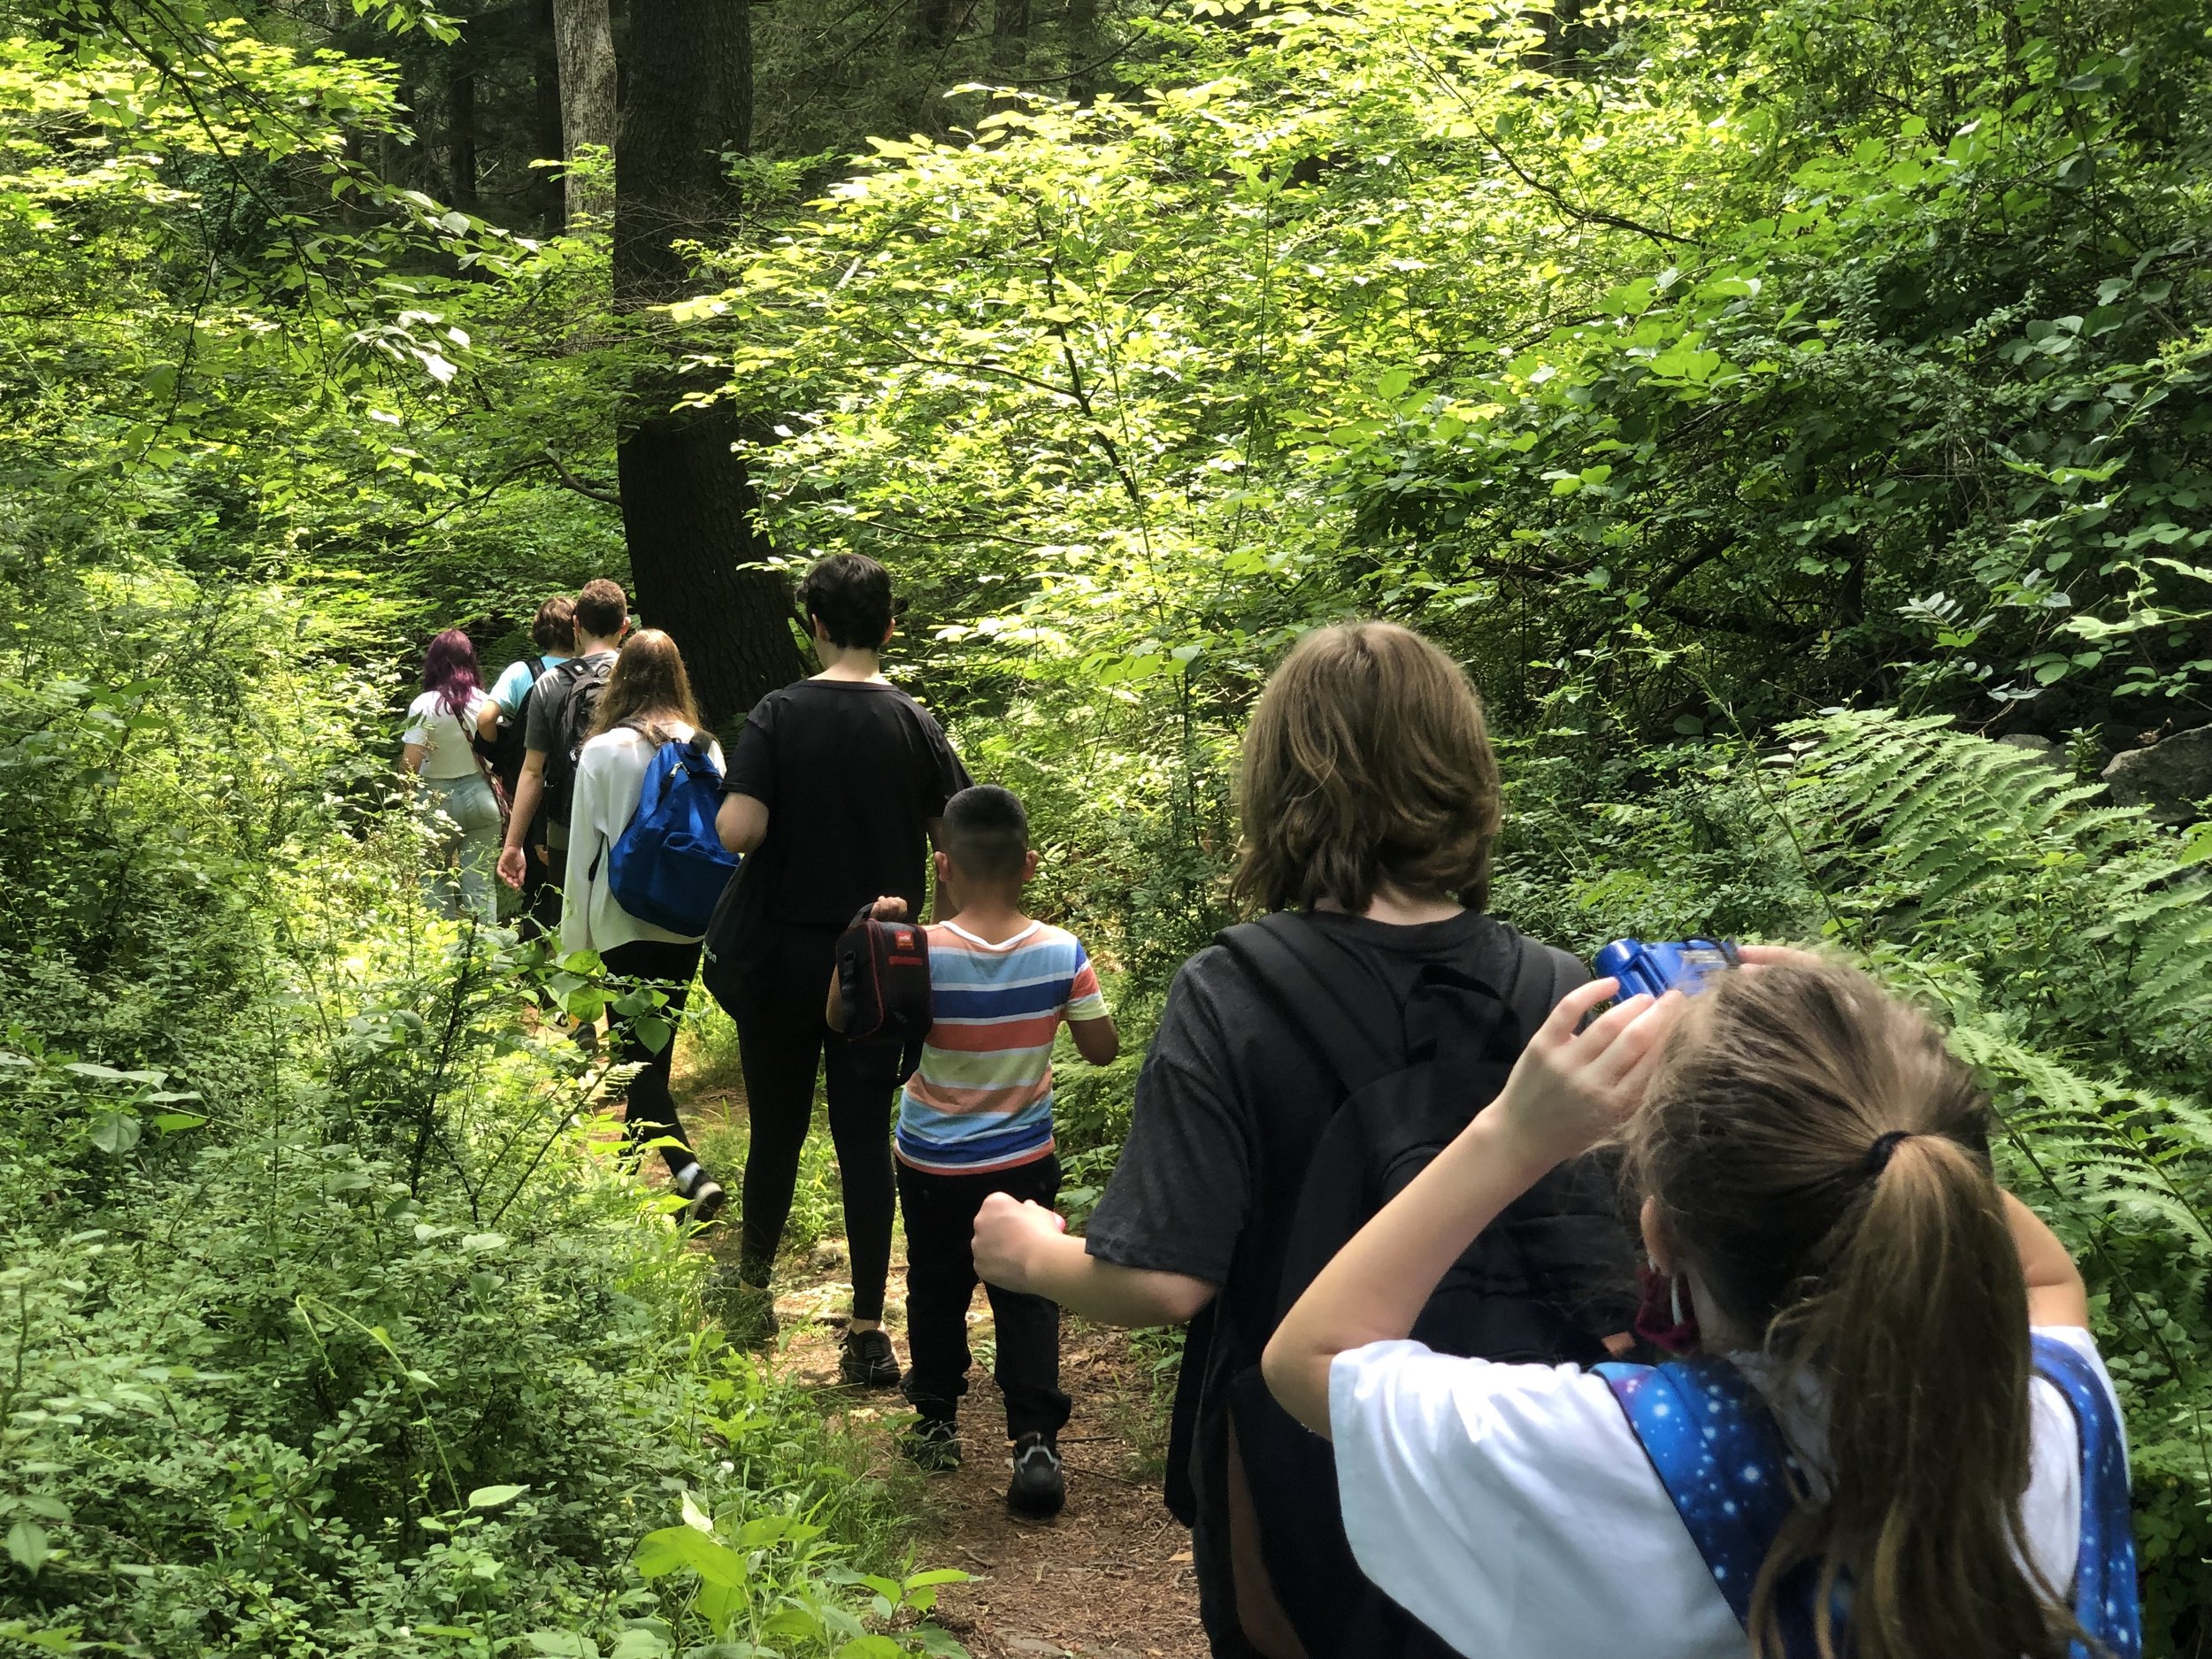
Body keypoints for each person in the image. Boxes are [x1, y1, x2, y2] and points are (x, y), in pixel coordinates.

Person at [971, 622, 1636, 1657]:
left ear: (1278, 787)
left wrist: (1026, 1253)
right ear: (1464, 775)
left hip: (1306, 1477)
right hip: (1530, 1466)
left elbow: (1162, 1284)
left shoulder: (1234, 993)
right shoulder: (1564, 994)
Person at [1260, 954, 2137, 1659]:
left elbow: (1311, 1358)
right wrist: (1859, 1075)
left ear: (1659, 1236)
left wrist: (1511, 1135)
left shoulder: (1611, 1462)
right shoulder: (2047, 1414)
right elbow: (2042, 1281)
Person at [714, 553, 972, 1385]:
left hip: (785, 959)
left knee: (776, 1129)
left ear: (814, 624)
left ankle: (752, 1285)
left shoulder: (779, 713)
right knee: (864, 1138)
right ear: (890, 625)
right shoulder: (915, 723)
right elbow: (955, 841)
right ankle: (868, 1328)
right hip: (879, 963)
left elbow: (737, 832)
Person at [826, 786, 1118, 1517]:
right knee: (1028, 1292)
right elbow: (1103, 1048)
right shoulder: (1062, 950)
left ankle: (936, 1422)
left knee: (936, 1283)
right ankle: (1035, 1442)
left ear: (943, 864)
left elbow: (839, 1014)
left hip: (931, 1163)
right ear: (1030, 863)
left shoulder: (916, 950)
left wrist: (868, 932)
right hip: (1023, 1162)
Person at [562, 629, 727, 1225]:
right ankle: (626, 1185)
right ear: (678, 677)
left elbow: (583, 855)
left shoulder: (601, 751)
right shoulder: (704, 747)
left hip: (620, 920)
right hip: (684, 921)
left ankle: (691, 1178)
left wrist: (571, 952)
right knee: (648, 1059)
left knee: (637, 1061)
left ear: (621, 678)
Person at [498, 579, 629, 913]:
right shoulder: (638, 678)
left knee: (569, 922)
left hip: (567, 828)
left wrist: (514, 844)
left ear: (576, 624)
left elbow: (532, 772)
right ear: (625, 626)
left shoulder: (550, 683)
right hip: (632, 822)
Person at [477, 595, 576, 939]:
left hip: (533, 789)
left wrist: (502, 751)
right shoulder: (592, 670)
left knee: (536, 884)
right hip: (580, 789)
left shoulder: (523, 672)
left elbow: (486, 718)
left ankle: (536, 959)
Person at [401, 628, 503, 925]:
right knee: (480, 887)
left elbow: (410, 764)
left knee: (434, 884)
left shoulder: (424, 705)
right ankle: (489, 960)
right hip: (482, 800)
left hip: (435, 802)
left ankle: (442, 961)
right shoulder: (485, 702)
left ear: (433, 662)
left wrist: (407, 805)